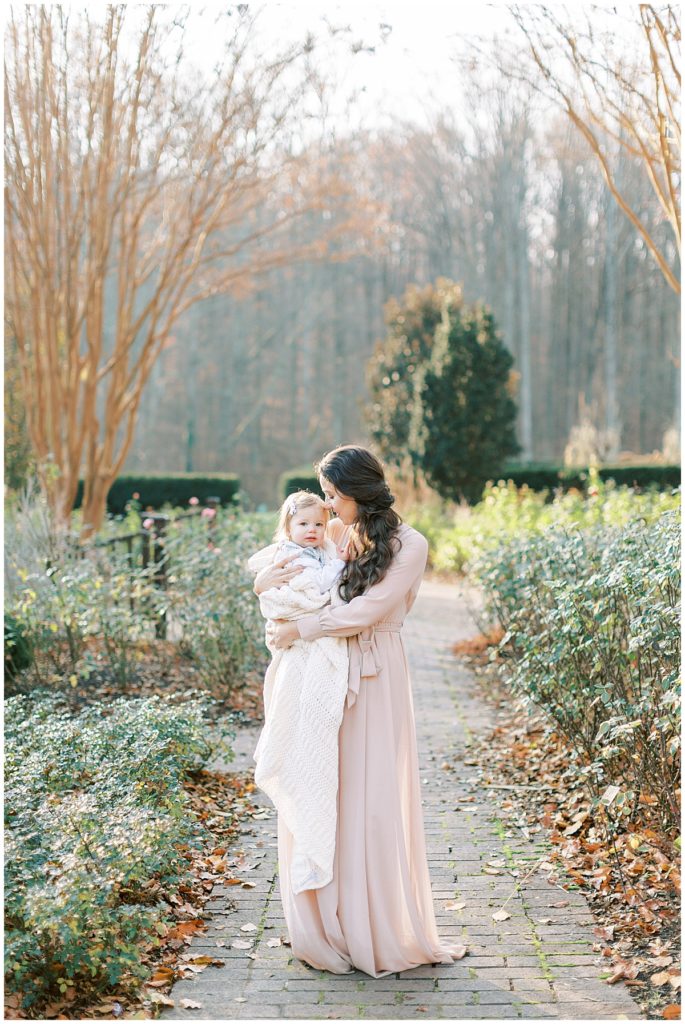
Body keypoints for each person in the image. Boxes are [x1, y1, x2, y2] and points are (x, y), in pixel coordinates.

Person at [253, 444, 467, 978]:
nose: (326, 506)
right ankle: (326, 923)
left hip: (378, 673)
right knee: (327, 786)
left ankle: (372, 924)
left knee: (370, 800)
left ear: (358, 492)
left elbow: (371, 608)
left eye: (333, 496)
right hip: (331, 670)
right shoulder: (337, 536)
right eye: (324, 497)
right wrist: (267, 591)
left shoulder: (409, 544)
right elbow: (290, 568)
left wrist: (301, 628)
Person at [247, 491, 352, 896]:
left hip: (316, 644)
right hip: (301, 648)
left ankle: (314, 843)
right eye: (303, 524)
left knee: (318, 736)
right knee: (301, 735)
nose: (312, 530)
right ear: (288, 527)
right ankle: (307, 836)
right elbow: (306, 593)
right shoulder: (290, 557)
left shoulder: (325, 549)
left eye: (318, 524)